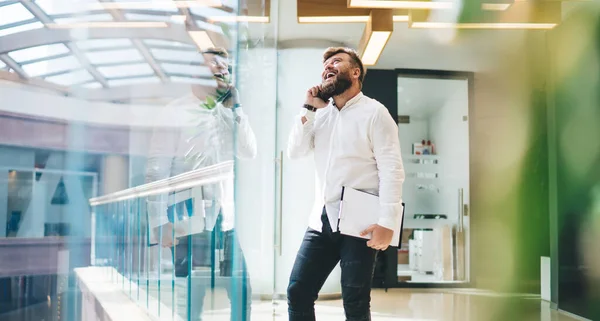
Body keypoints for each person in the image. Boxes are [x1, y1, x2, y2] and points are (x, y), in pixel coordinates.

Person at [286, 47, 405, 321]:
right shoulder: (322, 115)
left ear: (355, 72)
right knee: (298, 292)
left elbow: (391, 170)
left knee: (355, 301)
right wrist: (308, 108)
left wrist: (388, 222)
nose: (328, 67)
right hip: (321, 222)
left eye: (336, 62)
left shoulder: (375, 113)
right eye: (325, 65)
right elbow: (295, 150)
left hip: (359, 225)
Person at [144, 47, 256, 321]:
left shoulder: (227, 111)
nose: (222, 68)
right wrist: (159, 220)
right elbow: (157, 169)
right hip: (188, 218)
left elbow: (248, 151)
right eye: (214, 63)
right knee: (192, 298)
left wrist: (236, 109)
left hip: (224, 218)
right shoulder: (175, 112)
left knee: (241, 291)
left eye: (226, 66)